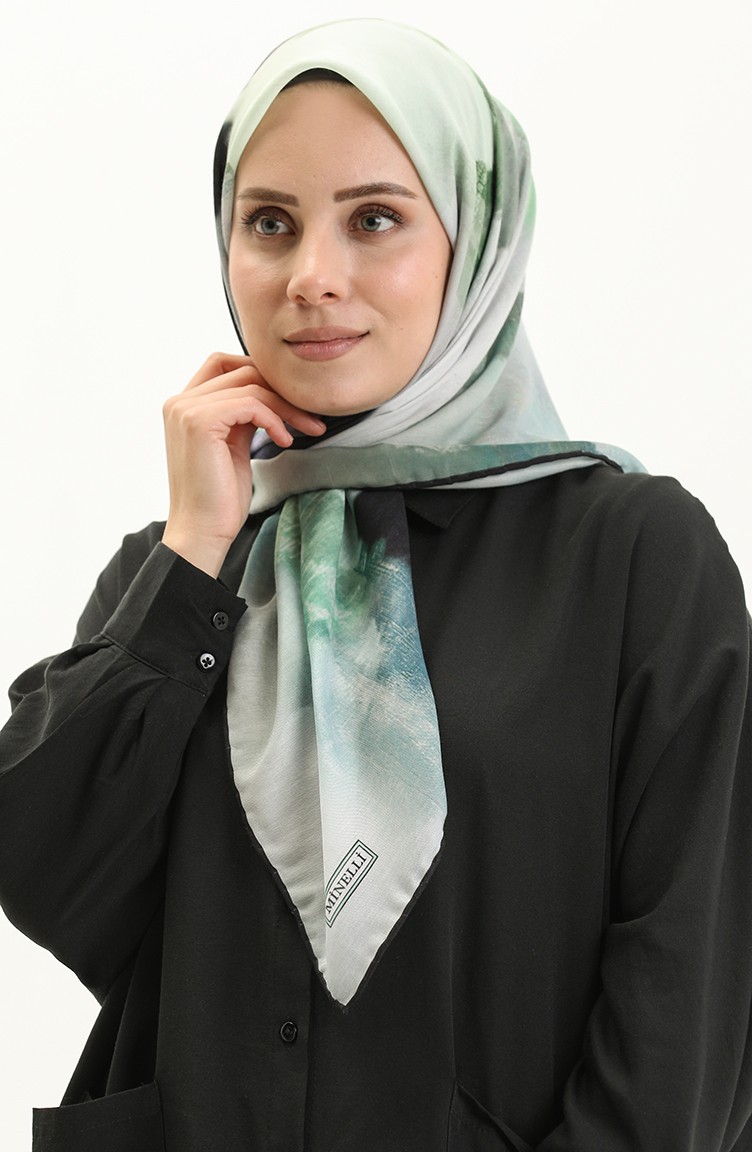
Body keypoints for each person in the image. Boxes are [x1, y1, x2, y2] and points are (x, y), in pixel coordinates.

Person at [1, 16, 750, 1152]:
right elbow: (51, 881)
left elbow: (687, 998)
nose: (312, 277)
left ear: (476, 240)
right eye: (269, 222)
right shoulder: (178, 574)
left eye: (374, 219)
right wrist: (194, 548)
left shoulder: (633, 558)